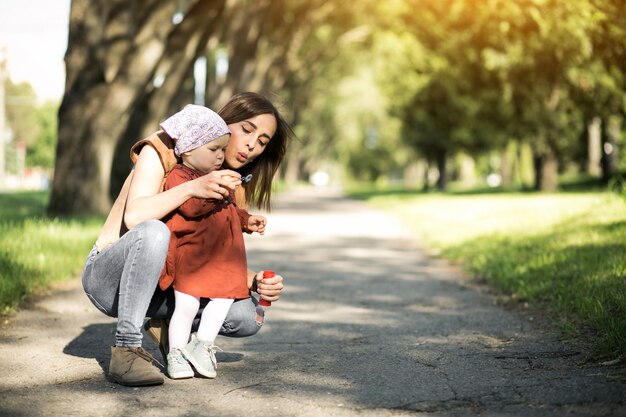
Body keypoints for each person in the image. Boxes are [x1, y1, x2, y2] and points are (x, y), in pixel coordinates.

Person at [81, 92, 294, 386]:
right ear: (224, 121)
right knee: (155, 231)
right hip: (110, 279)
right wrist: (194, 188)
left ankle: (175, 334)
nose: (252, 145)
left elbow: (204, 258)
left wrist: (254, 281)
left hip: (167, 280)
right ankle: (126, 349)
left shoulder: (230, 182)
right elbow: (135, 217)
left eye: (262, 141)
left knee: (245, 314)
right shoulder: (163, 148)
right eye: (247, 130)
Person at [157, 104, 267, 380]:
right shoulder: (180, 177)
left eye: (222, 150)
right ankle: (177, 352)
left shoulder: (215, 177)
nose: (220, 157)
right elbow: (192, 209)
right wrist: (213, 189)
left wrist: (246, 220)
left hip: (220, 262)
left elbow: (229, 210)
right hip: (192, 259)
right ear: (189, 149)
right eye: (214, 150)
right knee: (187, 305)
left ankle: (202, 344)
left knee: (224, 300)